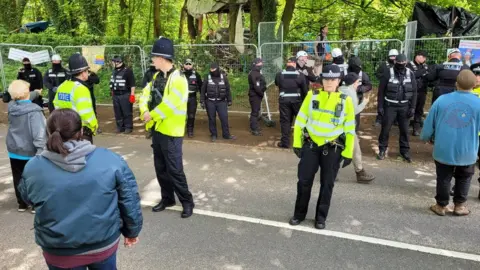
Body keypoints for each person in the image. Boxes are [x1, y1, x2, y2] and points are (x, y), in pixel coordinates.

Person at [19, 109, 143, 269]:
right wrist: (132, 232)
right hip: (102, 244)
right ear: (81, 131)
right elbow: (129, 199)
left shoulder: (33, 166)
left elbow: (27, 197)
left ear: (49, 132)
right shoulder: (110, 159)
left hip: (58, 249)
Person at [289, 64, 356, 230]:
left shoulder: (345, 101)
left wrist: (348, 153)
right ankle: (299, 214)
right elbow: (300, 121)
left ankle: (320, 217)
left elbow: (349, 129)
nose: (329, 82)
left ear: (339, 81)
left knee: (327, 184)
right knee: (304, 181)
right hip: (311, 145)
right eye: (326, 78)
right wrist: (297, 143)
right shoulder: (312, 96)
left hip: (332, 148)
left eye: (333, 79)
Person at [139, 36, 195, 218]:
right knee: (160, 168)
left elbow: (171, 104)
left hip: (172, 133)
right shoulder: (156, 77)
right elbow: (144, 95)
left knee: (175, 170)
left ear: (162, 58)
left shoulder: (179, 79)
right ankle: (167, 198)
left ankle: (187, 201)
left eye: (154, 57)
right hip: (158, 131)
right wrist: (143, 111)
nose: (152, 60)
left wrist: (150, 115)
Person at [421, 70, 480, 216]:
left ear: (456, 83)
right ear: (474, 84)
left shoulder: (441, 100)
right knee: (465, 176)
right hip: (468, 149)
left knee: (443, 176)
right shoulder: (478, 103)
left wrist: (426, 136)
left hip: (443, 148)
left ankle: (441, 206)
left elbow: (429, 124)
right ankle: (459, 206)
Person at [6, 80, 47, 213]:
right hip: (30, 150)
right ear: (27, 93)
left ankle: (22, 203)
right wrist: (41, 150)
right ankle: (35, 203)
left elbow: (24, 97)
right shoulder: (34, 112)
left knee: (18, 176)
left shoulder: (12, 107)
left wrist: (35, 93)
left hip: (14, 148)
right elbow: (39, 133)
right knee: (33, 177)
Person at [377, 54, 417, 163]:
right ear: (395, 62)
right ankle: (382, 149)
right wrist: (380, 106)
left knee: (404, 130)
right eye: (399, 64)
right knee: (385, 129)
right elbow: (381, 91)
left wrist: (413, 107)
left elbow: (414, 92)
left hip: (404, 106)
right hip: (390, 106)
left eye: (403, 64)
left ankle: (405, 151)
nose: (401, 66)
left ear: (406, 62)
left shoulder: (410, 73)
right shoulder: (388, 72)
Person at [54, 53, 98, 143]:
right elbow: (86, 113)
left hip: (64, 129)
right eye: (87, 71)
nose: (88, 74)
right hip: (81, 132)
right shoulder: (81, 89)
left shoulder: (62, 86)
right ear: (82, 73)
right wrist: (94, 126)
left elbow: (56, 105)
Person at [339, 73, 375, 183]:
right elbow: (354, 111)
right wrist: (365, 102)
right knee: (355, 150)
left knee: (337, 148)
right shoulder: (351, 92)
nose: (359, 84)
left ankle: (331, 172)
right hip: (347, 126)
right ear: (354, 82)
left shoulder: (340, 89)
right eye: (358, 82)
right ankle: (360, 173)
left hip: (336, 125)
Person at [275, 57, 308, 148]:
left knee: (285, 121)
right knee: (300, 120)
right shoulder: (300, 75)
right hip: (297, 101)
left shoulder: (279, 74)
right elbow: (305, 90)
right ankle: (304, 141)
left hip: (284, 101)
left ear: (287, 64)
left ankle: (285, 143)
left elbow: (277, 83)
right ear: (295, 64)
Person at [200, 63, 236, 142]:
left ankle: (226, 135)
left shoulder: (224, 77)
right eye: (211, 69)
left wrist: (229, 100)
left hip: (222, 101)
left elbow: (227, 89)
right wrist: (202, 101)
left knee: (224, 118)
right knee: (212, 119)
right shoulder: (207, 77)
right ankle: (213, 135)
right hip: (210, 101)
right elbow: (203, 90)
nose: (212, 71)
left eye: (214, 69)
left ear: (217, 69)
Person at [110, 56, 136, 134]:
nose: (113, 63)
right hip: (116, 95)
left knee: (126, 112)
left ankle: (128, 127)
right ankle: (120, 127)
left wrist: (132, 95)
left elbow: (132, 84)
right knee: (118, 112)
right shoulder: (114, 71)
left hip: (125, 94)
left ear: (118, 62)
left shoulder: (128, 71)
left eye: (114, 62)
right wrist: (112, 92)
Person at [374, 49, 399, 126]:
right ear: (389, 56)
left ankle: (395, 120)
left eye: (395, 56)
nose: (393, 58)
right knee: (381, 102)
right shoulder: (384, 65)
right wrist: (384, 78)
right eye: (391, 56)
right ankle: (379, 119)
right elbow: (377, 73)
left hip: (394, 88)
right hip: (384, 87)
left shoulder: (398, 65)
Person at [347, 56, 373, 130]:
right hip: (344, 100)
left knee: (355, 118)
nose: (359, 68)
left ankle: (355, 131)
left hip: (357, 99)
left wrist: (360, 89)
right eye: (357, 66)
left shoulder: (362, 74)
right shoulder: (345, 73)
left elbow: (369, 85)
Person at [407, 51, 429, 136]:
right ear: (417, 56)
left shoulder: (425, 66)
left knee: (419, 110)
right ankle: (405, 126)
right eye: (423, 57)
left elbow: (429, 76)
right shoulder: (409, 65)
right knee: (409, 109)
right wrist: (424, 71)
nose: (424, 59)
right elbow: (413, 75)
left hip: (422, 91)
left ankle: (416, 128)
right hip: (412, 91)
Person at [183, 59, 202, 138]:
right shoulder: (179, 74)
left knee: (191, 115)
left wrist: (202, 99)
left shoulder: (196, 75)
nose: (188, 65)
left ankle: (190, 130)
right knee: (181, 115)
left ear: (192, 65)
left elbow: (201, 86)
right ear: (184, 65)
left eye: (189, 64)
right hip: (181, 99)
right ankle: (181, 130)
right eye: (186, 64)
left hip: (192, 98)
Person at [248, 57, 266, 136]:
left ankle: (255, 126)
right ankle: (254, 129)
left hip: (257, 95)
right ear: (256, 64)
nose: (262, 64)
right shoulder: (253, 73)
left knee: (256, 111)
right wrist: (261, 93)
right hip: (255, 95)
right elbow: (256, 86)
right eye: (260, 63)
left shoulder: (257, 72)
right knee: (254, 112)